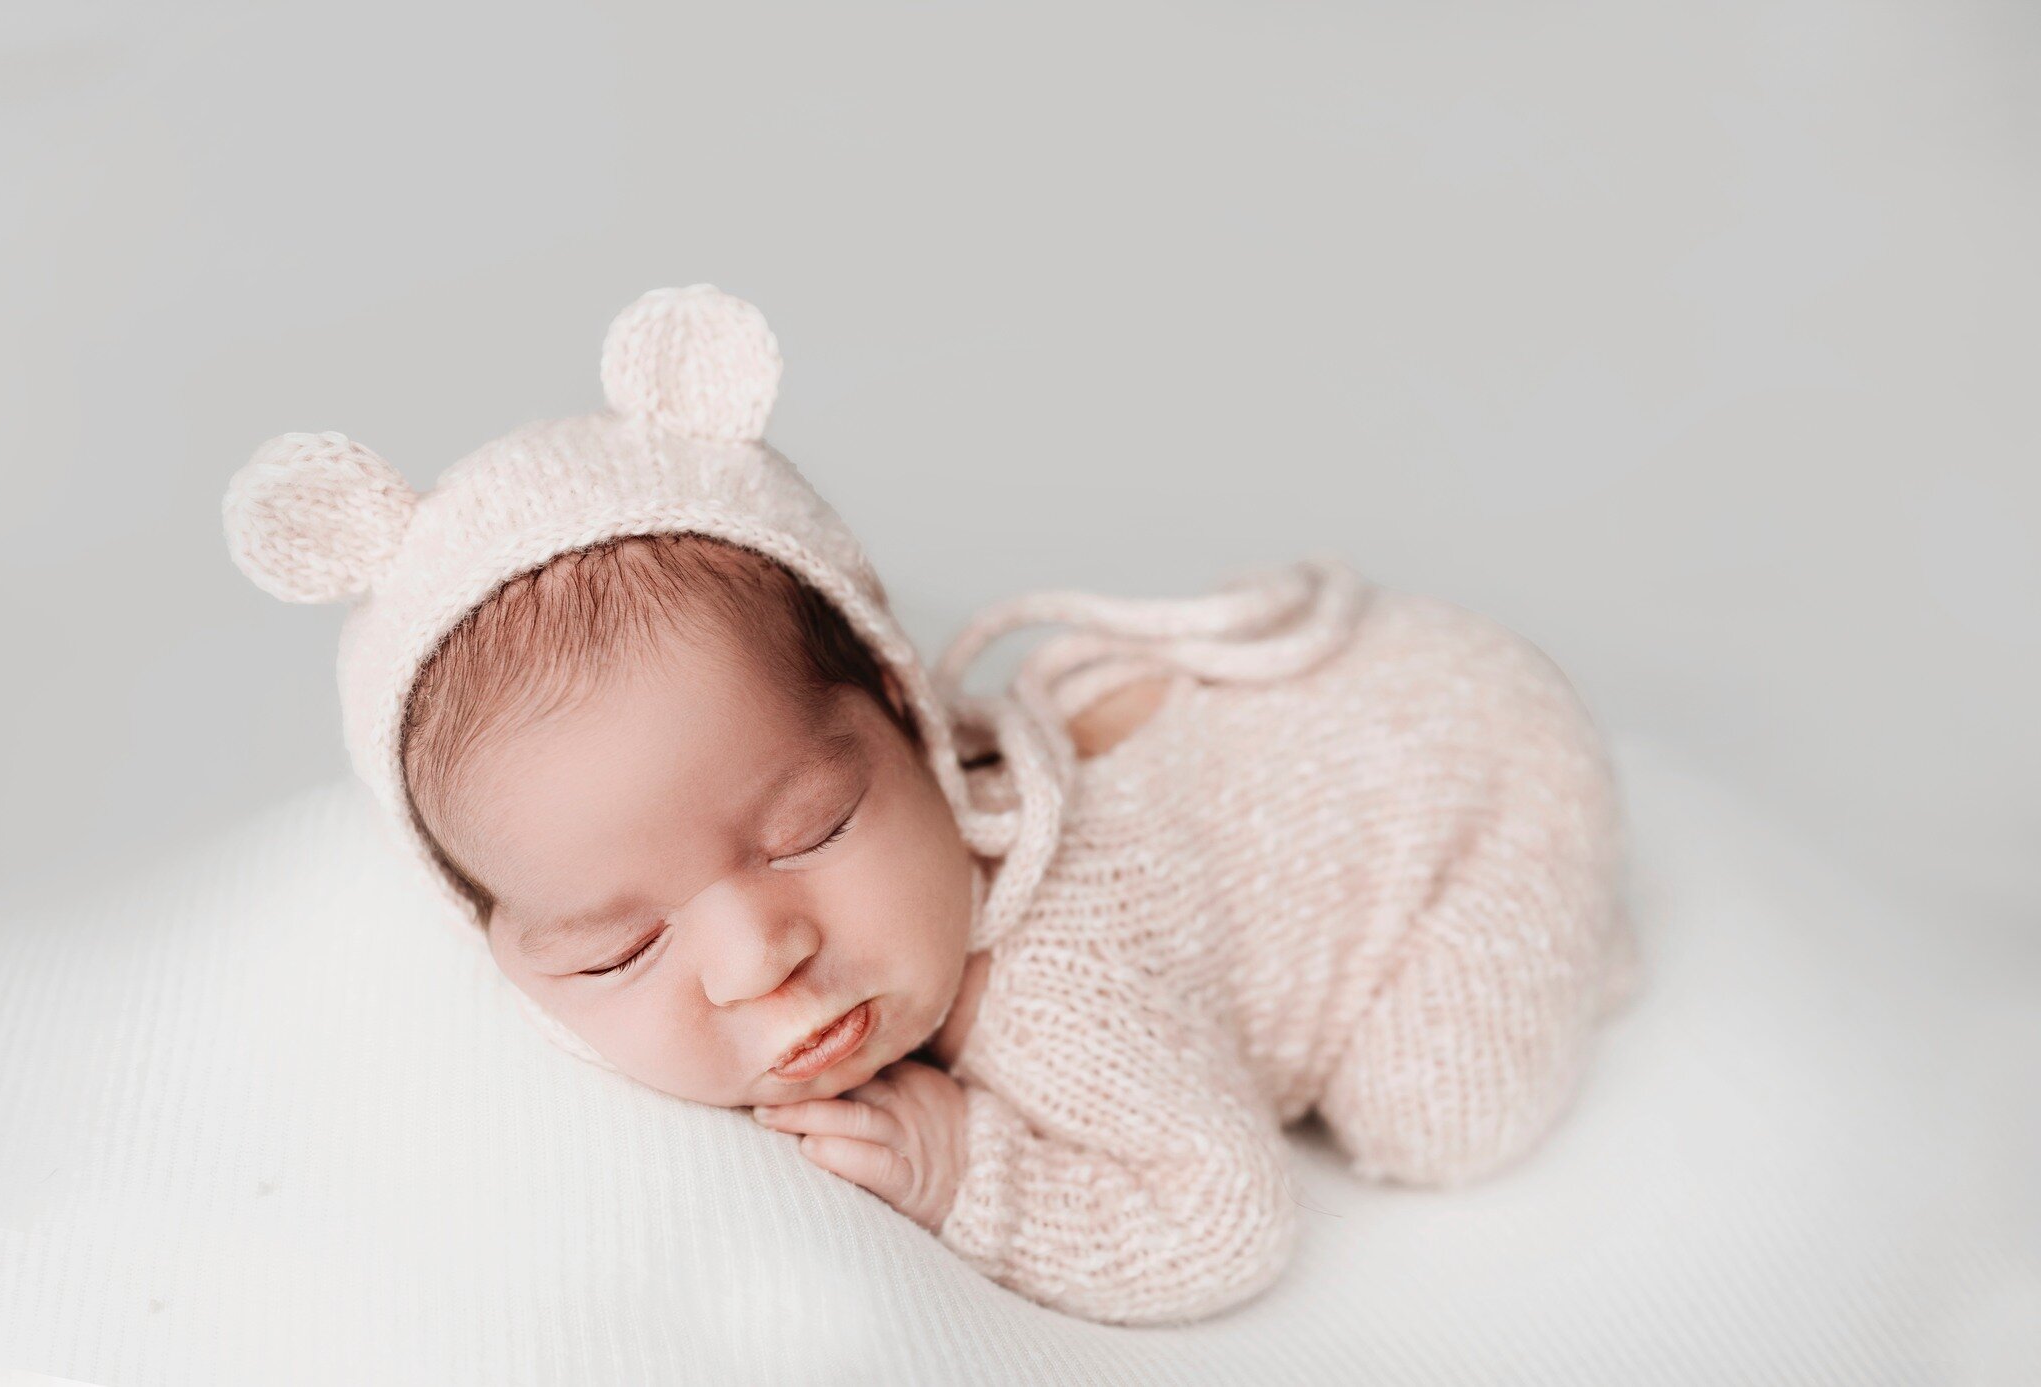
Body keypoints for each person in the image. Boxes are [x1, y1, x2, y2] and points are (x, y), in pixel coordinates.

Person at [222, 285, 1640, 1326]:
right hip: (1338, 726)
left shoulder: (1050, 991)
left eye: (809, 831)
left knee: (1443, 1122)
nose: (755, 956)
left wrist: (974, 1171)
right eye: (613, 950)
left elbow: (1231, 1222)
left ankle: (1578, 920)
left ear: (909, 713)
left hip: (1458, 750)